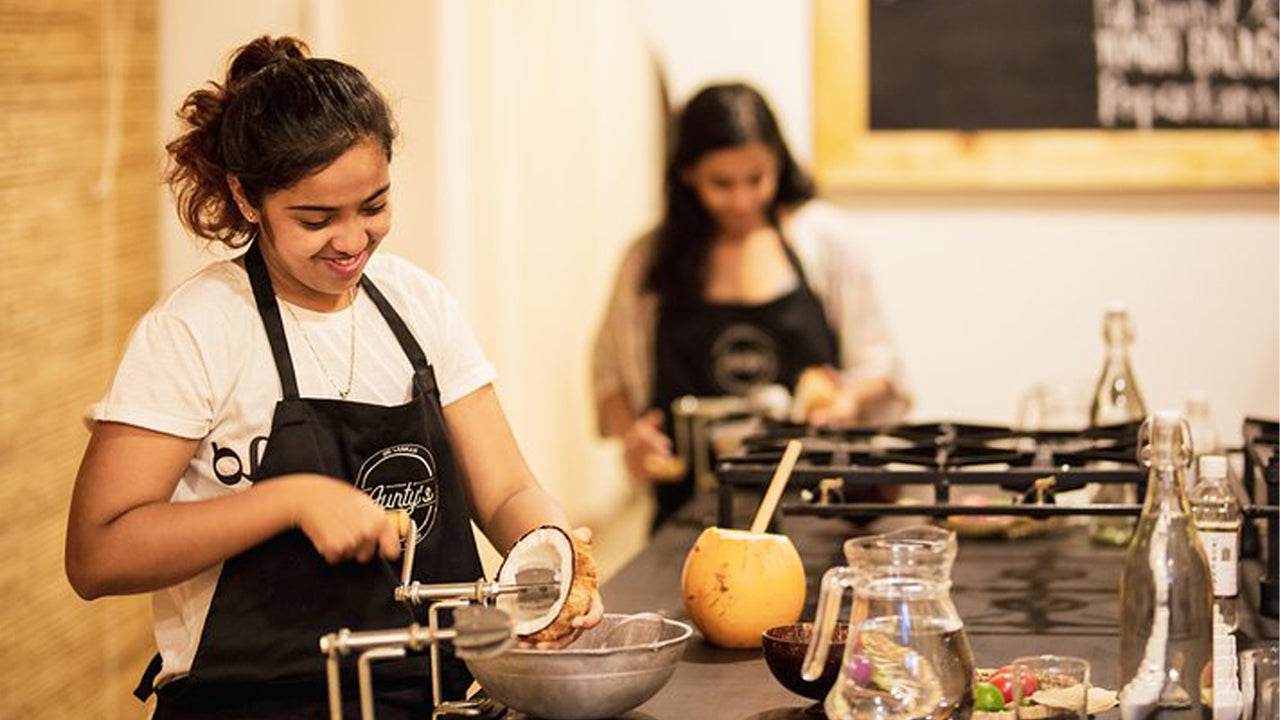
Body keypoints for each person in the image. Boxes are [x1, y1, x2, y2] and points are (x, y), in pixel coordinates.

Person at [65, 36, 600, 719]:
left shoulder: (418, 305)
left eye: (373, 206)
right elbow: (97, 553)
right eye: (316, 219)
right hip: (256, 702)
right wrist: (286, 502)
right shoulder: (197, 330)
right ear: (247, 197)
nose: (352, 241)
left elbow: (507, 490)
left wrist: (556, 569)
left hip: (438, 693)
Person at [591, 82, 910, 529]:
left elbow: (880, 367)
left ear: (779, 162)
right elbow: (609, 378)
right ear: (687, 174)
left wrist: (846, 399)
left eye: (757, 179)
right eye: (722, 184)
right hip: (690, 522)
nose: (742, 200)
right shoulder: (648, 261)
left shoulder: (823, 241)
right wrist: (634, 437)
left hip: (816, 511)